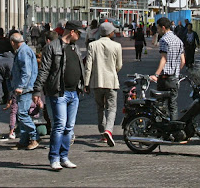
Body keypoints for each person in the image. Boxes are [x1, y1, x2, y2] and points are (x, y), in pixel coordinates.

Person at [33, 20, 85, 171]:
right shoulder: (52, 47)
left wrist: (83, 84)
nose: (80, 36)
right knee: (59, 125)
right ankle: (54, 158)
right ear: (72, 32)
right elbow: (44, 70)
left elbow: (79, 67)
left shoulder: (75, 47)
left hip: (73, 92)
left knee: (69, 127)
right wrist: (37, 90)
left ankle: (64, 157)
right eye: (79, 33)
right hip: (58, 92)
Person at [84, 22, 122, 147]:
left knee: (100, 107)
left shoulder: (92, 45)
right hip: (111, 81)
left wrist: (86, 83)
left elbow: (88, 66)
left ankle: (102, 132)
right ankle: (109, 130)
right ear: (110, 33)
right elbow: (119, 65)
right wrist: (113, 71)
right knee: (112, 108)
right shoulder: (116, 46)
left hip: (97, 81)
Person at [149, 17, 185, 120]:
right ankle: (174, 129)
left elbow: (163, 59)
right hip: (174, 78)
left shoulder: (164, 40)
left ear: (163, 28)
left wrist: (156, 75)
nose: (158, 30)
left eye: (158, 28)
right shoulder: (178, 40)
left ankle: (162, 127)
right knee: (173, 105)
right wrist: (177, 71)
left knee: (161, 104)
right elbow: (183, 61)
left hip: (165, 78)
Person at [9, 32, 39, 150]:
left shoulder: (23, 51)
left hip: (25, 88)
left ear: (13, 42)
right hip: (25, 87)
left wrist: (20, 86)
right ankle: (24, 140)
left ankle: (34, 136)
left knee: (22, 114)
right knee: (23, 113)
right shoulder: (24, 50)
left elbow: (26, 71)